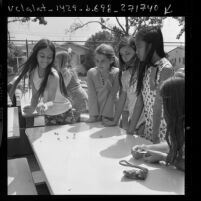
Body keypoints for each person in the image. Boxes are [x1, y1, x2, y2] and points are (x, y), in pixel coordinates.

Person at [9, 39, 77, 126]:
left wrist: (44, 105)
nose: (45, 60)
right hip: (49, 114)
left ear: (52, 58)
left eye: (49, 57)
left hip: (64, 112)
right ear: (36, 54)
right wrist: (33, 107)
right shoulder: (33, 72)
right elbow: (35, 96)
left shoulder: (53, 75)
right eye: (42, 56)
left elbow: (51, 101)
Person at [128, 26, 174, 143]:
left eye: (139, 47)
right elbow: (140, 101)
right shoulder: (146, 67)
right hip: (149, 131)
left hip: (162, 133)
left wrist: (155, 138)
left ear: (151, 46)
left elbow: (158, 105)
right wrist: (130, 131)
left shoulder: (165, 69)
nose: (136, 52)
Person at [131, 76, 185, 171]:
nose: (163, 107)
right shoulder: (179, 123)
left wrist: (163, 157)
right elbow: (172, 145)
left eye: (164, 102)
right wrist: (145, 148)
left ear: (174, 104)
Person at [103, 37, 144, 132]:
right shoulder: (124, 75)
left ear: (137, 51)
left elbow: (140, 101)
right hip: (134, 121)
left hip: (146, 122)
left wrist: (131, 128)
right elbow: (122, 98)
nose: (124, 57)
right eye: (121, 54)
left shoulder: (145, 71)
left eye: (128, 53)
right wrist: (115, 120)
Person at [86, 44, 119, 123]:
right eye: (97, 61)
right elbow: (91, 95)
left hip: (111, 115)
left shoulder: (116, 73)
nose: (99, 64)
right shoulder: (91, 73)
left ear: (111, 60)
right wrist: (93, 115)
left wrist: (106, 116)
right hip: (96, 115)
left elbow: (112, 95)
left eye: (103, 61)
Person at [55, 51, 88, 122]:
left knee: (73, 119)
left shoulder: (65, 72)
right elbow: (77, 81)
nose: (54, 64)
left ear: (62, 62)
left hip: (76, 98)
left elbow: (62, 88)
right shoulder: (69, 71)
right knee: (74, 118)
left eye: (56, 61)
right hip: (78, 97)